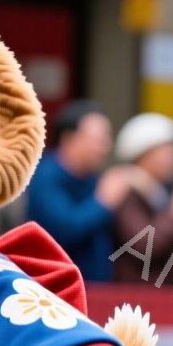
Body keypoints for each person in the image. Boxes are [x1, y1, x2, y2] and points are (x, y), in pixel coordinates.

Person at [24, 101, 127, 280]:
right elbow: (66, 229)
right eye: (98, 140)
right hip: (55, 290)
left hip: (99, 292)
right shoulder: (45, 177)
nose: (105, 147)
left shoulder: (96, 179)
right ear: (69, 139)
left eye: (106, 139)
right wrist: (102, 202)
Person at [108, 112, 173, 285]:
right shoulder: (126, 192)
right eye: (167, 151)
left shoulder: (159, 192)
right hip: (135, 297)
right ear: (144, 154)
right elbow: (144, 246)